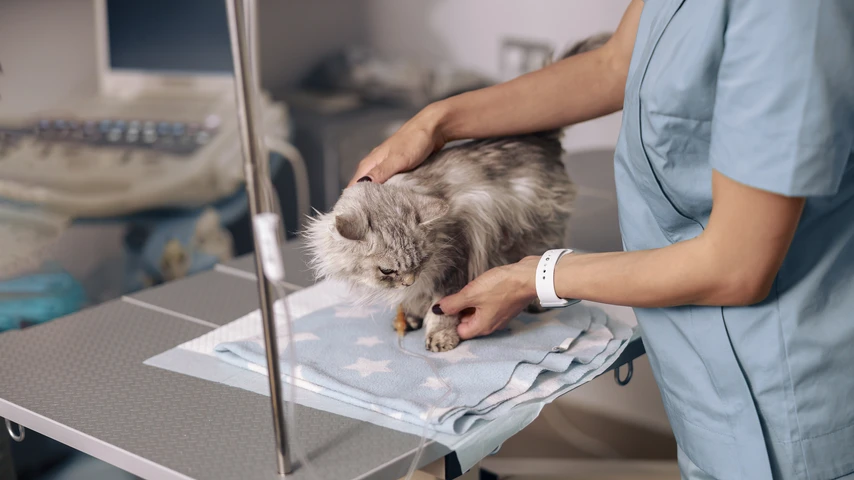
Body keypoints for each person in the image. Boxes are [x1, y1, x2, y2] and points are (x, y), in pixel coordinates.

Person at [348, 1, 854, 478]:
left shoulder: (790, 15)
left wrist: (535, 277)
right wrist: (434, 123)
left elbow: (736, 267)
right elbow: (612, 66)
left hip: (787, 399)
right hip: (705, 384)